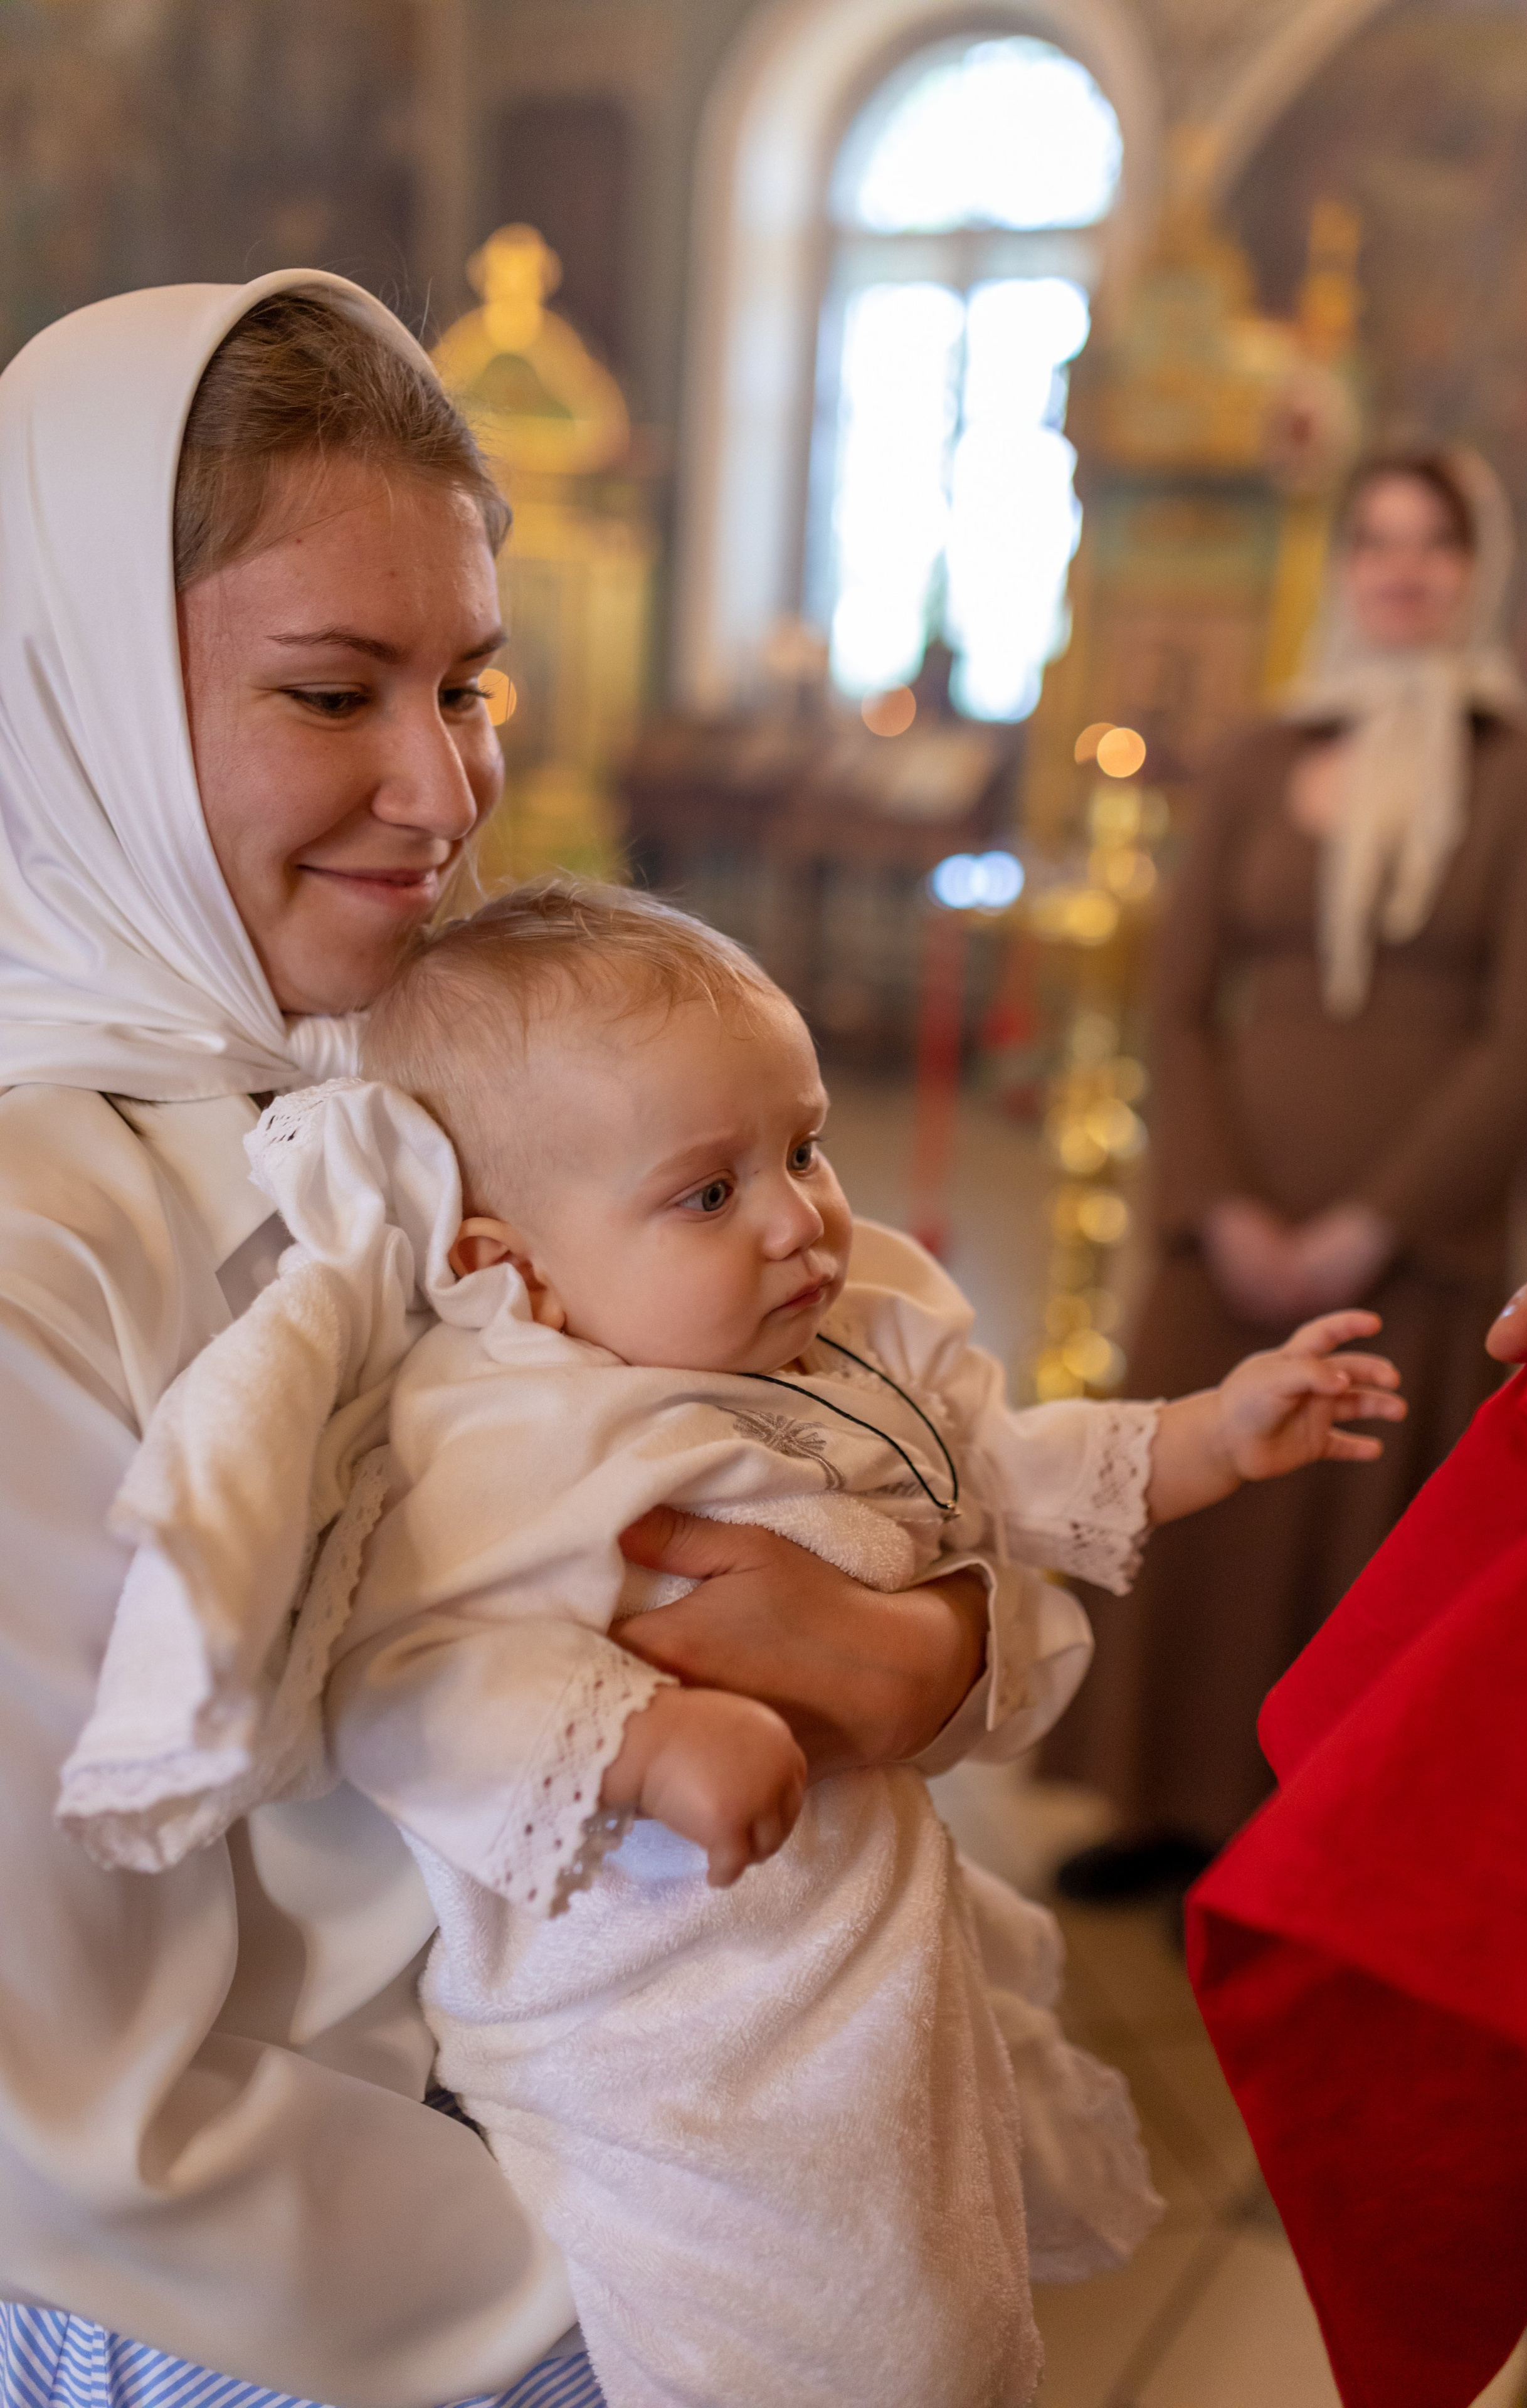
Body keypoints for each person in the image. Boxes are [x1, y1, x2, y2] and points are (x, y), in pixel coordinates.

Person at [0, 276, 1069, 2408]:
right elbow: (71, 2114)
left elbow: (889, 1455)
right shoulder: (43, 1243)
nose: (442, 786)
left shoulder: (453, 1060)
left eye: (472, 681)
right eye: (331, 692)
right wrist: (635, 2308)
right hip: (348, 2296)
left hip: (676, 2139)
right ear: (82, 689)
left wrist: (937, 1644)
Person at [60, 875, 1405, 2408]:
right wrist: (644, 1739)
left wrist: (1209, 1435)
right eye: (707, 1193)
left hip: (853, 1940)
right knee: (776, 2316)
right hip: (656, 2012)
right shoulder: (517, 1433)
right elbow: (402, 1673)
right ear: (514, 1266)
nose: (796, 1217)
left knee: (922, 2261)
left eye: (804, 1145)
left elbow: (997, 1471)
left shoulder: (826, 1347)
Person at [1050, 446, 1527, 1898]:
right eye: (1376, 541)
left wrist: (1372, 1225)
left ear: (1474, 569)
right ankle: (1155, 1801)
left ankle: (1287, 1843)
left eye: (1434, 544)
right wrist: (1221, 1204)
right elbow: (1175, 1000)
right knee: (1197, 1507)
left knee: (1352, 1543)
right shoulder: (1258, 754)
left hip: (1410, 1229)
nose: (1402, 569)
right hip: (1232, 1214)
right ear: (1343, 565)